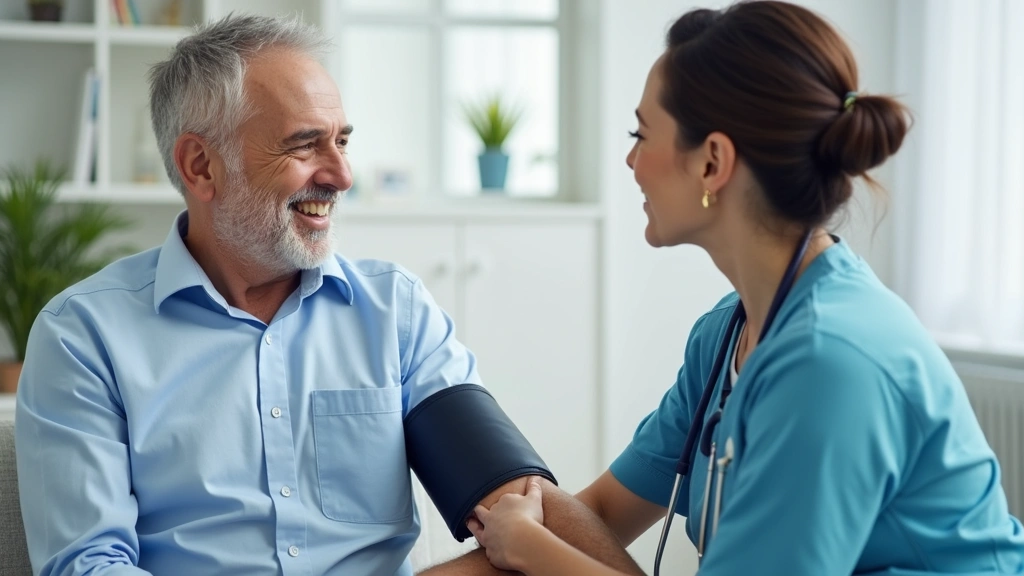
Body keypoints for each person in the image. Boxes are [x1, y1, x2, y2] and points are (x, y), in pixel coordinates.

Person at [14, 14, 642, 576]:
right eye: (304, 143)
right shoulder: (83, 336)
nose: (342, 175)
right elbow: (88, 565)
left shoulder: (395, 312)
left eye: (341, 141)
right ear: (200, 166)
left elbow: (521, 502)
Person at [467, 2, 1024, 575]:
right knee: (540, 499)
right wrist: (515, 533)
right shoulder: (727, 333)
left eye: (642, 133)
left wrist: (531, 549)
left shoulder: (830, 362)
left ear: (712, 163)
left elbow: (551, 543)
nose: (631, 161)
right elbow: (601, 512)